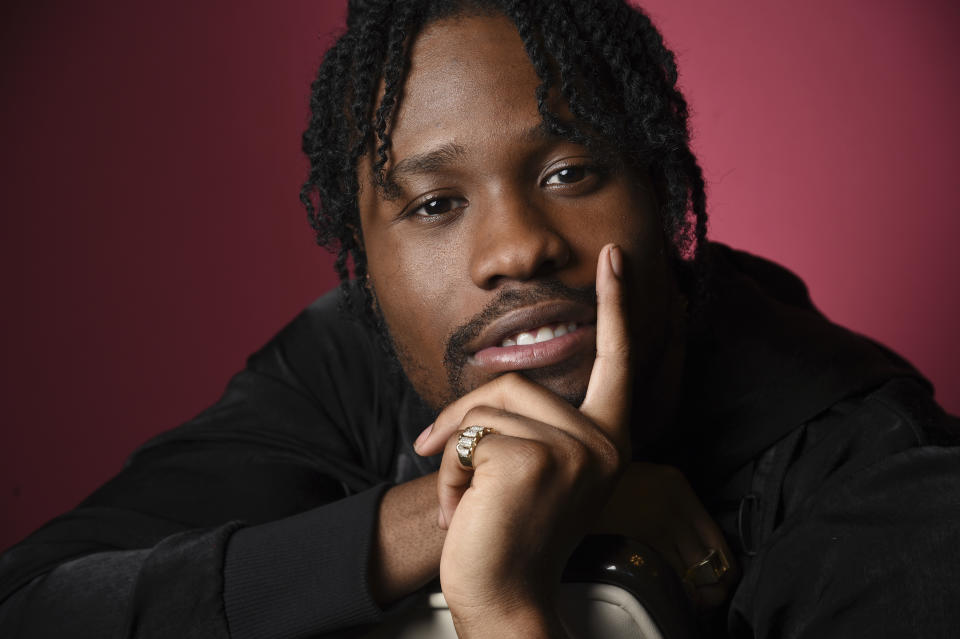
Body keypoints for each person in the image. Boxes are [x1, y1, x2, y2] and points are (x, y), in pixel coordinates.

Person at [1, 1, 957, 637]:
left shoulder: (889, 490)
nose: (515, 249)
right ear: (362, 262)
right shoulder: (351, 363)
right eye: (432, 204)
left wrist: (501, 602)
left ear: (666, 203)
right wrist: (445, 511)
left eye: (569, 174)